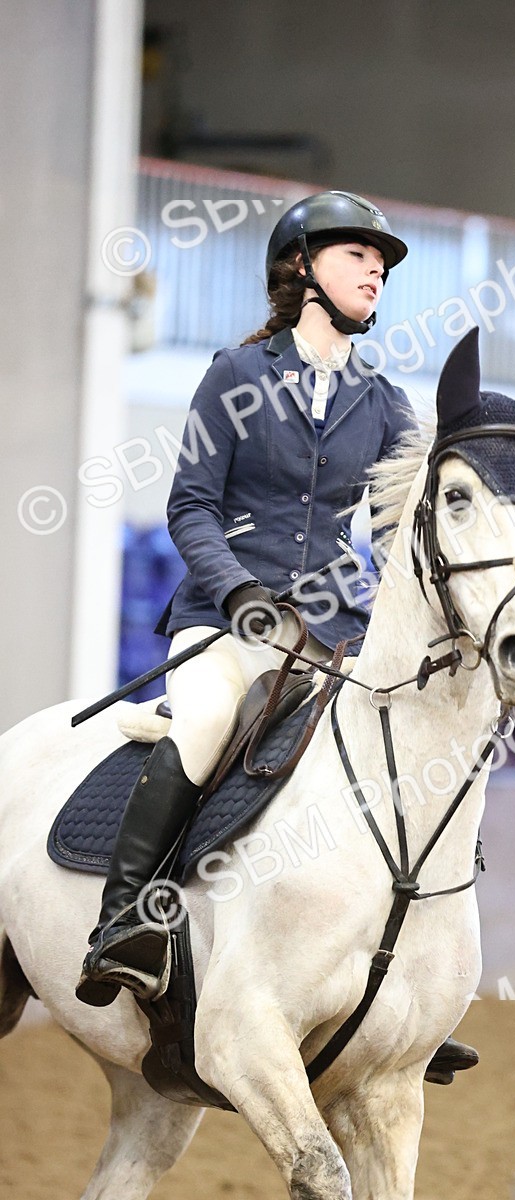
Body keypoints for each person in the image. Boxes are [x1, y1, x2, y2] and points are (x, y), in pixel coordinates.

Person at [76, 190, 416, 1006]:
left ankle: (405, 981)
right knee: (202, 723)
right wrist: (236, 590)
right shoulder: (235, 376)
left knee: (400, 750)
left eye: (380, 263)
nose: (374, 270)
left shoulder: (385, 402)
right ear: (301, 266)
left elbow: (399, 536)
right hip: (226, 624)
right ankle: (121, 919)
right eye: (356, 255)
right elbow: (190, 505)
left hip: (330, 634)